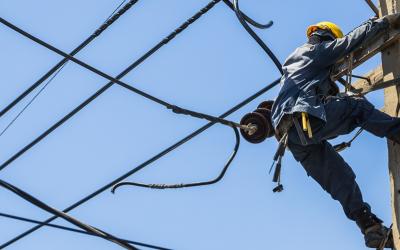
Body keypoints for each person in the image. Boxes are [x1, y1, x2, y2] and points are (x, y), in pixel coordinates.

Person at [271, 14, 400, 248]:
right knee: (355, 107)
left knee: (340, 177)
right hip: (303, 118)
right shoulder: (313, 51)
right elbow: (349, 43)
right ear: (324, 37)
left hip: (291, 136)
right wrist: (379, 24)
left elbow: (319, 90)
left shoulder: (295, 68)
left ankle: (369, 227)